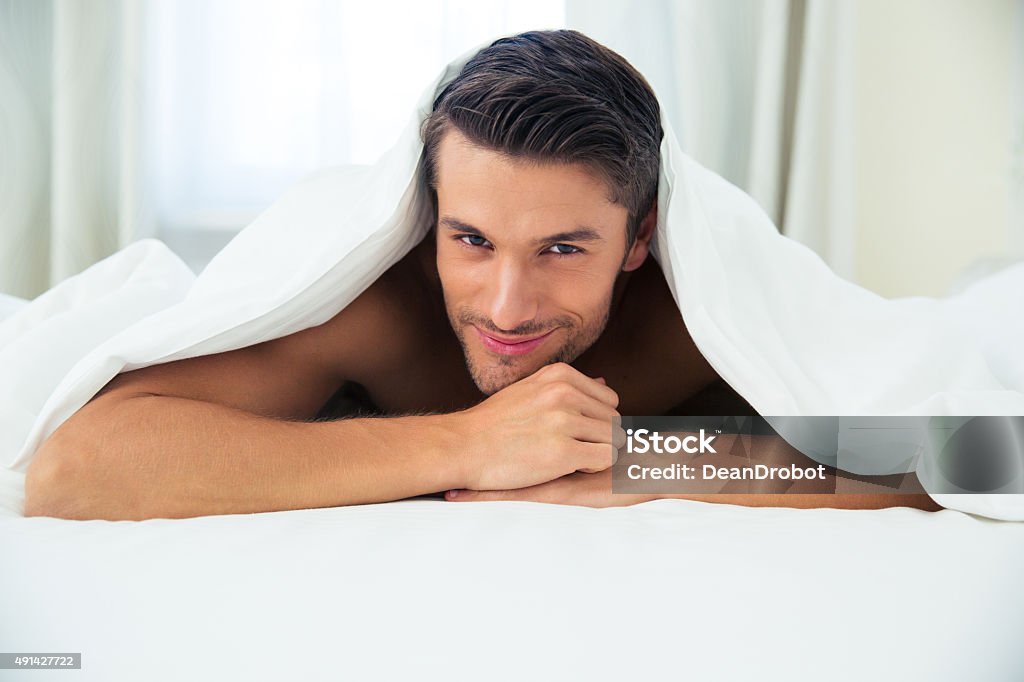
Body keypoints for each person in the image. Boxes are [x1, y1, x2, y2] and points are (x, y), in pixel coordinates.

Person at [25, 30, 940, 520]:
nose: (507, 305)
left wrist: (639, 455)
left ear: (639, 238)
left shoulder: (704, 309)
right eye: (471, 240)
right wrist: (470, 443)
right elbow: (73, 468)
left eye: (562, 250)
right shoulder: (372, 305)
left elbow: (973, 455)